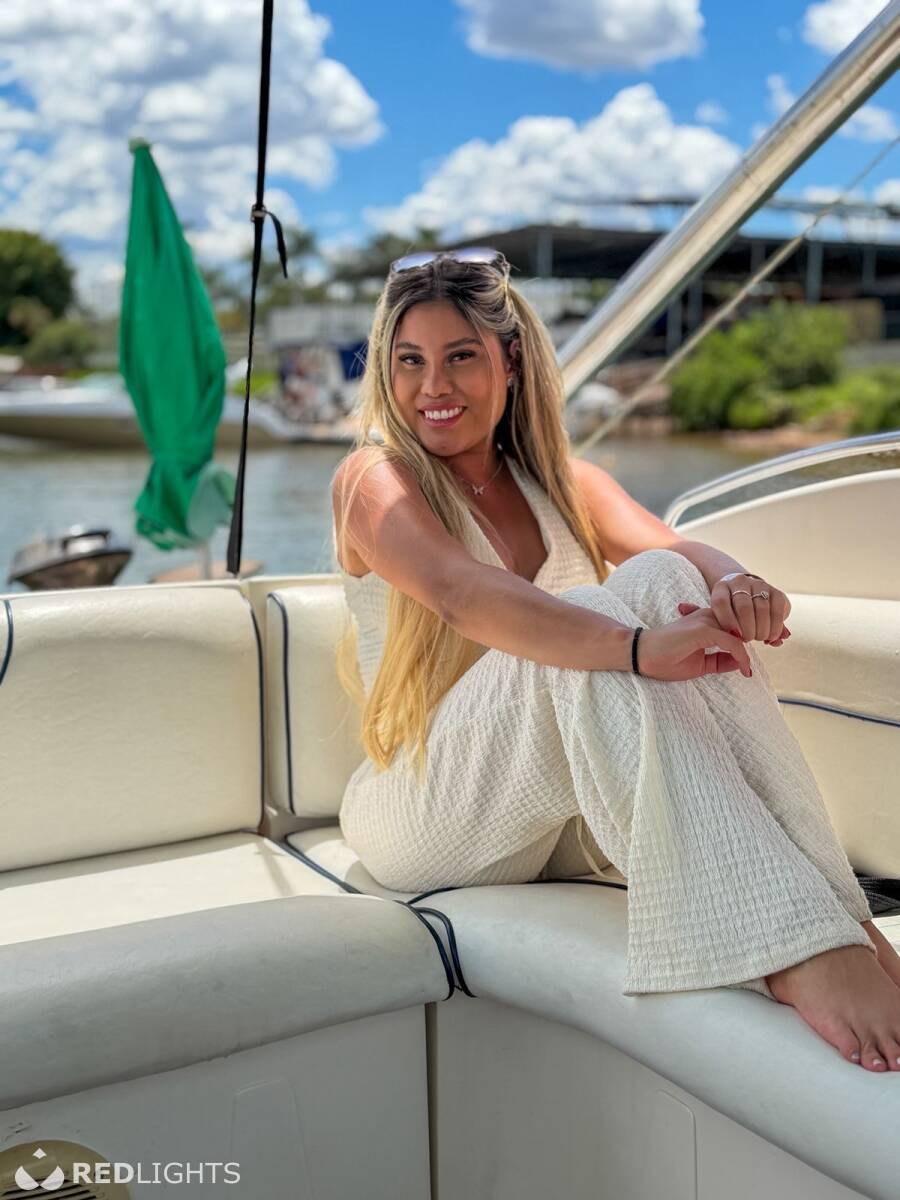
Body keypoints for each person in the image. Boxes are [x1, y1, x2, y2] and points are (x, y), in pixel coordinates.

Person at [329, 247, 900, 1073]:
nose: (433, 386)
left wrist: (735, 584)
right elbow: (459, 592)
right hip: (417, 808)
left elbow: (678, 551)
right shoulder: (371, 478)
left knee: (663, 577)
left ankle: (838, 917)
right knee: (597, 613)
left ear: (510, 361)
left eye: (460, 357)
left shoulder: (564, 482)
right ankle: (794, 949)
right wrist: (635, 648)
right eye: (409, 361)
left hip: (545, 823)